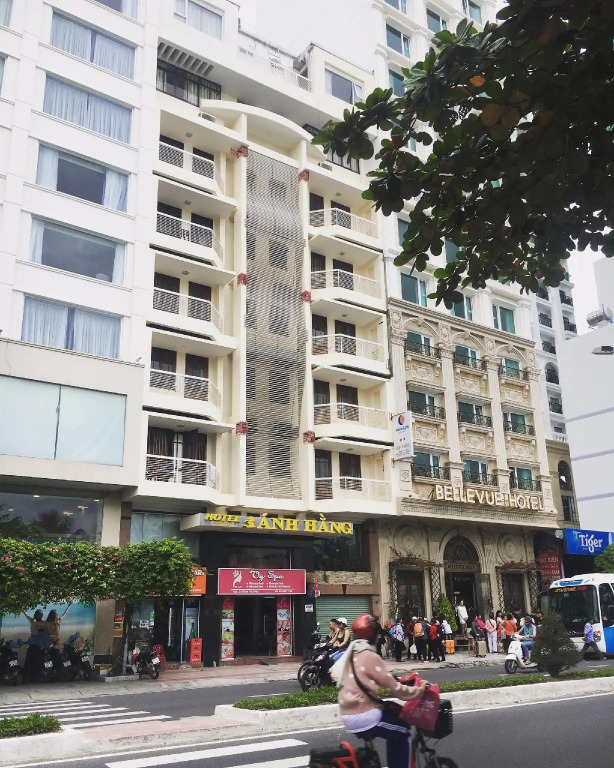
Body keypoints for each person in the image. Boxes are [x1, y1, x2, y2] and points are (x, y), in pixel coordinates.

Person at [334, 614, 429, 768]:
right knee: (403, 731)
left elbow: (373, 677)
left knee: (393, 727)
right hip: (364, 715)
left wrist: (393, 678)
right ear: (371, 634)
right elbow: (396, 690)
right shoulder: (370, 656)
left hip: (347, 713)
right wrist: (419, 690)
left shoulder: (351, 655)